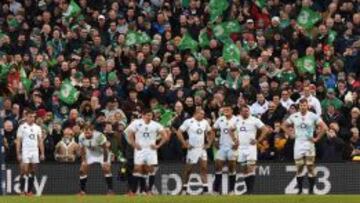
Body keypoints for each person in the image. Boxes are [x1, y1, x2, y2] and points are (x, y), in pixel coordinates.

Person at [282, 99, 328, 195]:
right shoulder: (294, 116)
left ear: (308, 106)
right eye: (301, 105)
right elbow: (283, 125)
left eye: (305, 105)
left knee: (310, 166)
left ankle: (311, 191)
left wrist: (316, 138)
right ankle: (299, 190)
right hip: (298, 143)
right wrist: (290, 134)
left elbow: (325, 127)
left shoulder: (313, 116)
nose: (303, 107)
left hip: (309, 144)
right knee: (299, 167)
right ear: (299, 106)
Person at [125, 108, 167, 195]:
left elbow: (165, 136)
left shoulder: (156, 125)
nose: (149, 117)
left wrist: (158, 146)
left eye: (151, 115)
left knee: (150, 170)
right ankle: (133, 191)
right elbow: (129, 133)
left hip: (151, 150)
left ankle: (149, 191)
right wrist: (134, 144)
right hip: (140, 149)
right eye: (147, 115)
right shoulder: (136, 123)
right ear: (143, 115)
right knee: (137, 169)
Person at [177, 108, 214, 195]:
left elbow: (211, 132)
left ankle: (206, 191)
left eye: (203, 114)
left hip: (201, 149)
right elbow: (179, 132)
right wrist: (184, 143)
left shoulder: (205, 122)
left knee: (204, 168)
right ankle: (184, 190)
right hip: (192, 149)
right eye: (201, 114)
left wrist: (209, 143)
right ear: (196, 113)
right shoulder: (188, 122)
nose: (203, 116)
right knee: (188, 170)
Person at [235, 105, 268, 194]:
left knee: (250, 167)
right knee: (244, 168)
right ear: (240, 112)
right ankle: (248, 190)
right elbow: (231, 129)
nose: (246, 112)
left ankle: (251, 190)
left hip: (251, 147)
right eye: (244, 111)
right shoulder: (237, 120)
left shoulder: (254, 120)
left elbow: (265, 129)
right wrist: (235, 139)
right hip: (241, 147)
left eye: (247, 111)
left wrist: (258, 140)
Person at [78, 123, 113, 195]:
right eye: (85, 132)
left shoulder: (99, 136)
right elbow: (82, 149)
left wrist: (105, 161)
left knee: (106, 169)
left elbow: (105, 149)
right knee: (82, 170)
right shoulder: (81, 137)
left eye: (88, 132)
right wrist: (84, 161)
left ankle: (110, 191)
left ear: (93, 131)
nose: (86, 134)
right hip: (90, 153)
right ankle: (82, 191)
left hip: (102, 153)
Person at [16, 110, 45, 196]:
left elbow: (40, 141)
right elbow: (18, 141)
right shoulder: (22, 127)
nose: (32, 118)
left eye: (33, 117)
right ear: (26, 117)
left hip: (35, 151)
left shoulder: (37, 128)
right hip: (25, 150)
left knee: (32, 171)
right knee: (24, 170)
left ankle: (29, 191)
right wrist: (18, 153)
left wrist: (42, 153)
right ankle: (21, 191)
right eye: (30, 117)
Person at [212, 104, 238, 195]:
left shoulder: (237, 119)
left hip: (232, 147)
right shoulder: (220, 119)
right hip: (222, 147)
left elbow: (240, 132)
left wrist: (237, 143)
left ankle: (231, 190)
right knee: (218, 166)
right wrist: (215, 140)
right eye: (225, 109)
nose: (226, 111)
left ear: (232, 111)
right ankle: (215, 191)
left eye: (228, 109)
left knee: (232, 167)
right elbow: (213, 129)